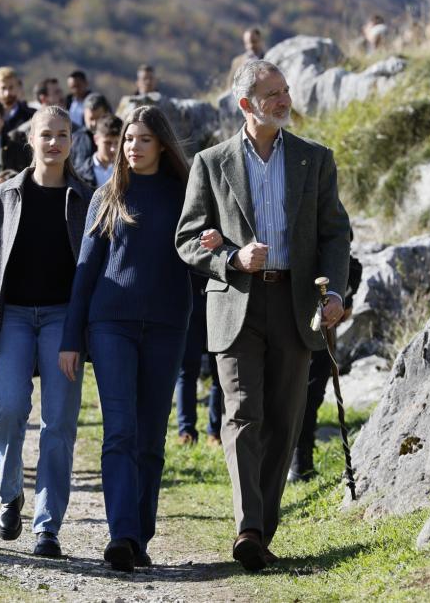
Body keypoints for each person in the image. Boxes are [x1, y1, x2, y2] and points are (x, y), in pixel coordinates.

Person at [175, 59, 351, 571]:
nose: (284, 99)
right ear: (246, 104)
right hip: (236, 302)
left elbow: (335, 233)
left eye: (285, 90)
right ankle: (248, 526)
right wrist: (231, 257)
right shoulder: (211, 162)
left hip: (298, 305)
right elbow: (187, 240)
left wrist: (335, 291)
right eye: (272, 93)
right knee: (242, 412)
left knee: (284, 419)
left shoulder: (315, 160)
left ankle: (261, 529)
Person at [59, 105, 191, 572]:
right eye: (128, 139)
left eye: (143, 140)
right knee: (120, 430)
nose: (132, 147)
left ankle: (141, 533)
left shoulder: (186, 195)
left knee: (151, 435)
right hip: (110, 325)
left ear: (162, 145)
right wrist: (72, 338)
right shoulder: (105, 196)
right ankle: (121, 534)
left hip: (166, 327)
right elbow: (85, 272)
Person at [0, 106, 93, 558]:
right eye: (46, 135)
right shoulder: (2, 197)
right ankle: (9, 494)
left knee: (58, 424)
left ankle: (48, 527)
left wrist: (83, 330)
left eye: (63, 135)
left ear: (72, 140)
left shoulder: (87, 198)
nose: (54, 143)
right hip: (14, 316)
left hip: (63, 318)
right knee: (5, 407)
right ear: (31, 140)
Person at [289, 252, 362, 482]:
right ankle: (298, 465)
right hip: (302, 331)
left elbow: (346, 310)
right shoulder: (346, 265)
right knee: (304, 399)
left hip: (317, 334)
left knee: (307, 399)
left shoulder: (349, 265)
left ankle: (300, 464)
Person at [175, 274, 225, 447]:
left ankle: (216, 431)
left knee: (220, 373)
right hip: (191, 302)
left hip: (220, 302)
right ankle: (186, 431)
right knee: (187, 371)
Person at [74, 114, 120, 188]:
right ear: (96, 139)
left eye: (117, 143)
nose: (113, 149)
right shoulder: (79, 175)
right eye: (108, 143)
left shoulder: (127, 173)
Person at [69, 93, 111, 168]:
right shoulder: (76, 139)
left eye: (98, 118)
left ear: (107, 114)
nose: (94, 123)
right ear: (84, 115)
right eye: (91, 119)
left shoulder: (116, 139)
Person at [0, 66, 36, 134]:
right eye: (3, 88)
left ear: (17, 86)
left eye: (11, 87)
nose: (7, 93)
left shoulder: (31, 115)